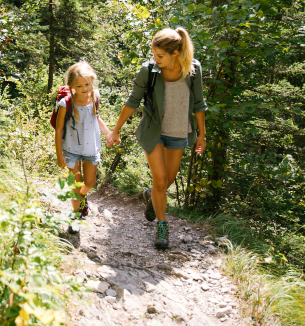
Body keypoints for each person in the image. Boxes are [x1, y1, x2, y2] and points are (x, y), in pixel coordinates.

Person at [106, 27, 207, 248]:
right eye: (154, 54)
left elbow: (199, 104)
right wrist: (115, 130)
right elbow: (132, 101)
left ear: (176, 53)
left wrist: (202, 135)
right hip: (153, 132)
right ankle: (162, 227)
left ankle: (151, 197)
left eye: (160, 56)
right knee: (160, 181)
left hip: (179, 132)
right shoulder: (149, 71)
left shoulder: (193, 70)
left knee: (166, 183)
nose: (155, 59)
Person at [55, 61, 112, 232]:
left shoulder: (95, 96)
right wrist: (59, 155)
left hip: (90, 148)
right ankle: (75, 216)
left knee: (89, 184)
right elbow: (58, 130)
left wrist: (109, 133)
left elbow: (96, 117)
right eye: (79, 86)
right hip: (71, 149)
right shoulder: (66, 103)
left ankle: (81, 197)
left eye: (87, 84)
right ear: (71, 85)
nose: (85, 88)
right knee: (75, 185)